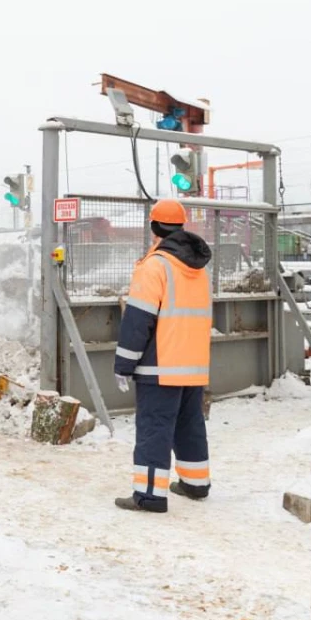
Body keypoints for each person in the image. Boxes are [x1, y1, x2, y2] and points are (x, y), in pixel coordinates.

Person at [113, 199, 213, 513]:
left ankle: (148, 495)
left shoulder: (155, 265)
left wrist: (124, 365)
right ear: (181, 226)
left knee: (154, 428)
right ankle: (196, 483)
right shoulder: (197, 268)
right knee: (189, 424)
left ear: (154, 226)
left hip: (161, 365)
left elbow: (138, 320)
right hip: (193, 364)